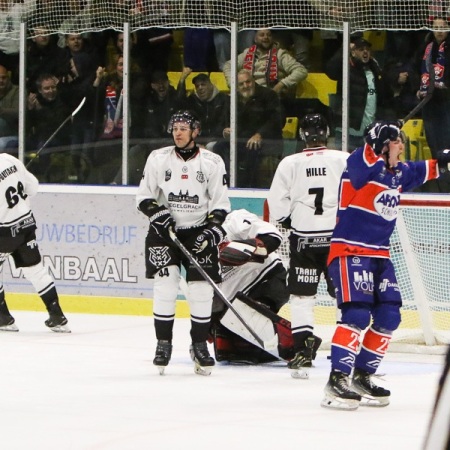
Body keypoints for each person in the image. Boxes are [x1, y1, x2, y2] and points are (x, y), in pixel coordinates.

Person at [321, 120, 450, 410]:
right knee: (355, 314)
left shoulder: (398, 173)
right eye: (396, 141)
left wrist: (444, 159)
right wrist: (376, 137)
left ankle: (363, 375)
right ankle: (337, 378)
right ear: (381, 146)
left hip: (380, 254)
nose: (402, 146)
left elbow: (428, 168)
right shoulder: (360, 166)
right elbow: (364, 159)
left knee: (390, 317)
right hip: (349, 250)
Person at [136, 110, 230, 376]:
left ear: (195, 131)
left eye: (183, 128)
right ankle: (163, 344)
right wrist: (157, 212)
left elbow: (221, 204)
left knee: (201, 292)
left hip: (197, 231)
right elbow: (143, 197)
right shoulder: (158, 158)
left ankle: (200, 345)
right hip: (163, 233)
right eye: (174, 127)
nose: (177, 132)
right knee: (165, 285)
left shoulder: (212, 161)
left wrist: (210, 231)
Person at [267, 113, 349, 378]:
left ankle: (303, 350)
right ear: (326, 132)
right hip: (337, 239)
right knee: (343, 297)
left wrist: (290, 221)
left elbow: (276, 203)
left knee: (302, 297)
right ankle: (344, 351)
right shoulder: (343, 158)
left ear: (302, 134)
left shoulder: (290, 163)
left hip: (304, 239)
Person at [210, 208, 292, 364]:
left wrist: (247, 247)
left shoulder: (233, 219)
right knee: (229, 348)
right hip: (232, 300)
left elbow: (272, 235)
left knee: (252, 337)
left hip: (267, 280)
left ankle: (278, 333)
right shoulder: (194, 241)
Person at [0, 152, 70, 333]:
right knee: (36, 271)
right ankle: (57, 315)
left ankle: (3, 318)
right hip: (25, 225)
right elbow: (34, 187)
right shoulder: (9, 159)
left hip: (4, 232)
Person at [213, 69, 284, 188]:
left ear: (253, 81)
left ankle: (247, 187)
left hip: (266, 141)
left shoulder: (268, 95)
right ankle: (226, 185)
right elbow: (221, 123)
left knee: (252, 148)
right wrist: (225, 132)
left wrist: (260, 134)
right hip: (240, 141)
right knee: (218, 147)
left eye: (248, 82)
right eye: (241, 84)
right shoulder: (232, 100)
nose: (245, 86)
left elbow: (277, 120)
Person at [112, 70, 181, 185]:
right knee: (134, 151)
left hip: (170, 141)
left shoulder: (175, 98)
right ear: (152, 85)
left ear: (168, 82)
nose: (161, 86)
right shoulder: (148, 100)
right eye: (157, 83)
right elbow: (143, 124)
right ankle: (117, 182)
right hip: (150, 140)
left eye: (163, 82)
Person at [325, 37, 389, 151]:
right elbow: (330, 70)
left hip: (370, 133)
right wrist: (343, 49)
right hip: (348, 133)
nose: (365, 51)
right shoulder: (345, 68)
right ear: (353, 52)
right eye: (360, 49)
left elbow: (384, 97)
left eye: (367, 49)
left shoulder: (375, 69)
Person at [417, 17, 450, 192]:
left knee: (447, 146)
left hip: (446, 104)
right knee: (435, 147)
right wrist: (418, 88)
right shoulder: (426, 47)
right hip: (429, 103)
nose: (439, 31)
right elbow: (416, 69)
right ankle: (441, 186)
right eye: (436, 27)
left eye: (443, 27)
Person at [177, 69, 230, 150]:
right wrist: (182, 80)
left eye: (203, 84)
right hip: (197, 142)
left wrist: (209, 142)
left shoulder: (223, 99)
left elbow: (222, 124)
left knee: (212, 147)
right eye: (197, 86)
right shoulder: (192, 101)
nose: (200, 88)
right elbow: (179, 103)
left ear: (211, 85)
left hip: (217, 141)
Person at [0, 64, 19, 149]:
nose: (1, 80)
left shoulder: (17, 91)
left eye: (4, 78)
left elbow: (19, 112)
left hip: (12, 134)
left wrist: (1, 111)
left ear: (8, 78)